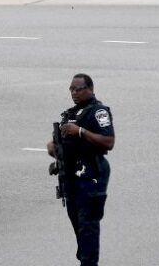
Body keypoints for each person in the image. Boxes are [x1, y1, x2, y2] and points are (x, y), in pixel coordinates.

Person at [47, 73, 115, 266]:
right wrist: (54, 147)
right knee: (77, 222)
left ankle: (88, 262)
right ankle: (85, 257)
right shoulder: (70, 114)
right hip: (71, 176)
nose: (74, 93)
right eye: (71, 89)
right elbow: (65, 144)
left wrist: (80, 131)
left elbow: (109, 141)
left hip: (91, 174)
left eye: (78, 89)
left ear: (90, 89)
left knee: (88, 225)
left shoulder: (98, 112)